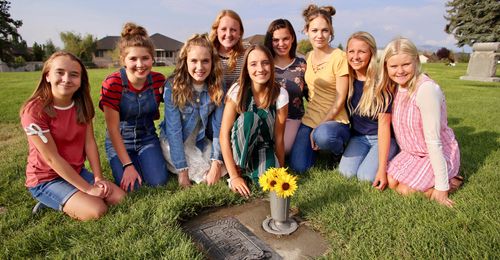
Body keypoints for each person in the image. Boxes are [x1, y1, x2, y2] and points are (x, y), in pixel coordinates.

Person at [20, 51, 125, 220]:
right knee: (97, 210)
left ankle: (73, 194)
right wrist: (89, 189)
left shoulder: (81, 104)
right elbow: (52, 158)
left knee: (119, 198)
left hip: (76, 172)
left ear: (81, 81)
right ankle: (49, 200)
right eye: (60, 72)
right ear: (47, 76)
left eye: (74, 75)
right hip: (46, 179)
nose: (67, 79)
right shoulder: (34, 111)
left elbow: (89, 143)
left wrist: (98, 178)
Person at [379, 37, 461, 207]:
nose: (399, 71)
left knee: (404, 190)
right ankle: (430, 180)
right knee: (392, 182)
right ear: (386, 67)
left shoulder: (426, 90)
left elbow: (434, 141)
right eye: (393, 66)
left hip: (434, 153)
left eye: (406, 65)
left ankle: (450, 180)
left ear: (416, 61)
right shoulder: (396, 87)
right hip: (412, 153)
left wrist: (441, 187)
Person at [100, 22, 169, 192]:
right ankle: (128, 162)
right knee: (134, 188)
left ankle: (145, 160)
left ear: (152, 58)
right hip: (121, 140)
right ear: (123, 60)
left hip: (147, 137)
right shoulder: (113, 83)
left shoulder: (159, 80)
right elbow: (113, 129)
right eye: (133, 59)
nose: (140, 64)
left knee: (158, 181)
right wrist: (128, 165)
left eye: (145, 58)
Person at [220, 44, 289, 198]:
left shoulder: (281, 94)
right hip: (241, 144)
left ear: (271, 66)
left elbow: (278, 138)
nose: (260, 68)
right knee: (250, 118)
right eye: (253, 64)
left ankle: (253, 172)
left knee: (267, 184)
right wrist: (234, 176)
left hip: (264, 147)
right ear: (246, 68)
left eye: (265, 63)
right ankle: (238, 170)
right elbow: (223, 135)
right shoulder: (237, 91)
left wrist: (280, 170)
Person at [289, 4, 350, 173]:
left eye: (324, 30)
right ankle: (317, 146)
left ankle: (338, 150)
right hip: (310, 119)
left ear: (330, 32)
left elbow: (340, 100)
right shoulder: (307, 57)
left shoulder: (339, 57)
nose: (319, 35)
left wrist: (319, 127)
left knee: (323, 135)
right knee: (299, 167)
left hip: (335, 120)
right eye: (315, 30)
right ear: (307, 30)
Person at [159, 33, 226, 188]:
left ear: (212, 62)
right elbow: (173, 130)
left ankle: (215, 169)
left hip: (200, 140)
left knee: (216, 163)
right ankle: (183, 168)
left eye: (205, 61)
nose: (199, 67)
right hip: (175, 142)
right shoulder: (173, 86)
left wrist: (216, 162)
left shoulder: (217, 86)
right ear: (185, 61)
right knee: (202, 173)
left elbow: (218, 128)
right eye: (194, 61)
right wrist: (182, 172)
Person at [338, 32, 399, 189]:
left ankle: (394, 159)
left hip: (382, 138)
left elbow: (384, 126)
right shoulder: (347, 80)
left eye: (361, 52)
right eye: (351, 51)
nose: (355, 56)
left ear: (371, 53)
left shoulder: (381, 83)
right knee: (345, 173)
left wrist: (381, 169)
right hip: (358, 138)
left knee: (365, 177)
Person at [264, 18, 307, 155]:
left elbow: (311, 96)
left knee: (284, 149)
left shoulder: (302, 65)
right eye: (276, 40)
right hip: (269, 118)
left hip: (293, 118)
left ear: (292, 38)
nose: (281, 44)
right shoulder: (265, 64)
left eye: (285, 39)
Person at [209, 9, 245, 90]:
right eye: (223, 29)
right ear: (216, 31)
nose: (228, 34)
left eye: (233, 30)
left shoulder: (247, 56)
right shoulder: (207, 54)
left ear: (240, 33)